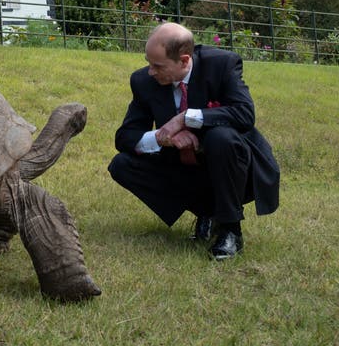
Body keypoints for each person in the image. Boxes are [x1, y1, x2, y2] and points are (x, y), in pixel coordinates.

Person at [108, 22, 280, 260]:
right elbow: (125, 137)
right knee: (121, 164)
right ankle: (206, 211)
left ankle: (230, 229)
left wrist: (186, 119)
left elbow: (245, 115)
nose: (150, 71)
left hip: (236, 168)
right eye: (148, 63)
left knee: (221, 137)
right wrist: (163, 137)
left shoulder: (221, 64)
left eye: (157, 66)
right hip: (184, 166)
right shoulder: (143, 82)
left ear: (185, 60)